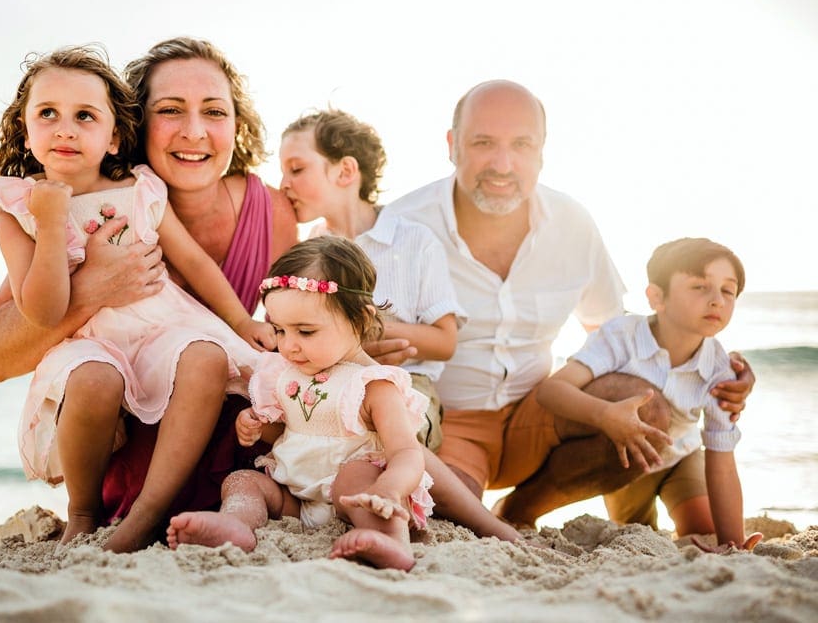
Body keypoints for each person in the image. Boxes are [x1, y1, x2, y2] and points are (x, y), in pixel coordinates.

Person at [378, 79, 756, 527]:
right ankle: (477, 505)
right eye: (483, 143)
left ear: (541, 151)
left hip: (538, 415)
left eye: (521, 144)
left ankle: (522, 510)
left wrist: (712, 375)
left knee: (642, 409)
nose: (503, 164)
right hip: (452, 425)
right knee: (449, 516)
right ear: (452, 145)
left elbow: (618, 333)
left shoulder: (572, 223)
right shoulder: (400, 227)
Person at [0, 37, 298, 552]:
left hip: (197, 385)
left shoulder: (254, 210)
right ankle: (90, 514)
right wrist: (88, 281)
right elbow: (3, 349)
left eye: (213, 111)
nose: (193, 130)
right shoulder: (35, 204)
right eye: (170, 110)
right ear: (138, 124)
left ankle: (161, 515)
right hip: (114, 393)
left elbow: (277, 307)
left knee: (214, 361)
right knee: (96, 378)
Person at [168, 237, 436, 571]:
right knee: (242, 481)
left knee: (354, 478)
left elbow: (408, 453)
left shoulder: (374, 384)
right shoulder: (284, 373)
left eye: (306, 332)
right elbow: (288, 431)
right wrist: (256, 425)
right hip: (297, 498)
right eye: (279, 330)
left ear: (361, 320)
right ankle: (237, 523)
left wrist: (388, 490)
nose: (289, 346)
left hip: (359, 498)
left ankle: (389, 541)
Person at [537, 238, 763, 550]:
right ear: (657, 297)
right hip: (629, 460)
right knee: (638, 532)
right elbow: (551, 390)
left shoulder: (721, 371)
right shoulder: (621, 336)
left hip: (682, 457)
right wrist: (605, 416)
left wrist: (732, 543)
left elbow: (722, 461)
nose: (717, 301)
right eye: (700, 287)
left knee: (704, 527)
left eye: (728, 290)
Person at [278, 109, 465, 451]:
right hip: (330, 380)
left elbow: (445, 342)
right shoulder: (307, 254)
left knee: (394, 437)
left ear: (346, 170)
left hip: (408, 383)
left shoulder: (414, 241)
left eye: (297, 169)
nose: (283, 185)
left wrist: (366, 327)